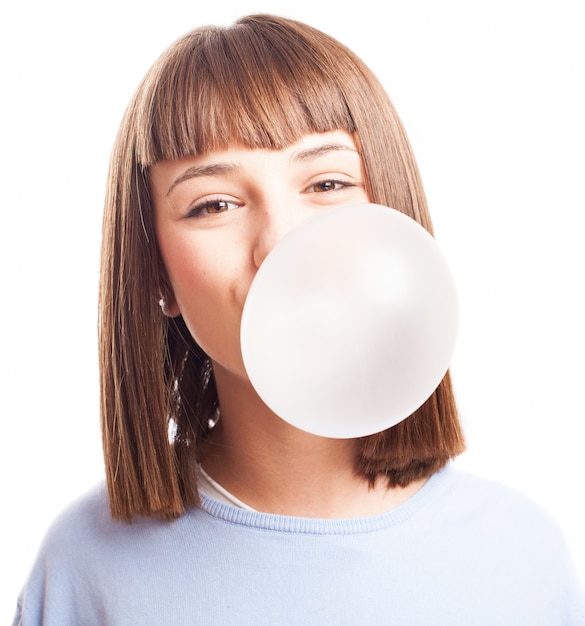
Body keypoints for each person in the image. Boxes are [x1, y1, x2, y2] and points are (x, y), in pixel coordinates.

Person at [13, 13, 585, 625]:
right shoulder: (85, 568)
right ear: (156, 272)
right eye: (213, 204)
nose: (281, 242)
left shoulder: (520, 557)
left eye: (327, 182)